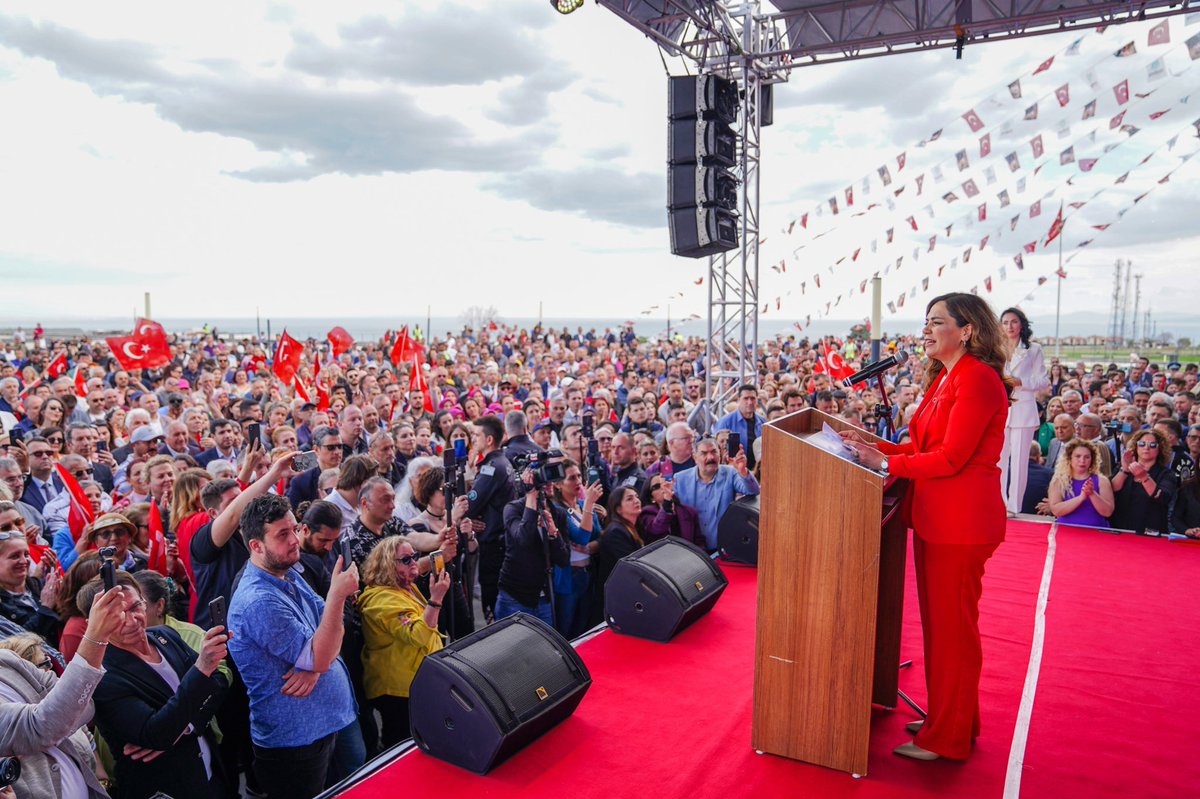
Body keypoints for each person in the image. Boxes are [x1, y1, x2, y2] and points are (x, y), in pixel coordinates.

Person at [842, 293, 1012, 762]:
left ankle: (947, 738)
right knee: (944, 630)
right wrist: (876, 449)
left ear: (967, 330)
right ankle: (953, 718)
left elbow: (953, 457)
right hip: (940, 518)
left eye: (936, 322)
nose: (926, 329)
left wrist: (887, 460)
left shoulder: (976, 378)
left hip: (960, 523)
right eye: (926, 321)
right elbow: (923, 442)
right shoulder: (949, 376)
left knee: (953, 633)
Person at [227, 494, 362, 799]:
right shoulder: (258, 601)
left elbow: (325, 631)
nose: (295, 540)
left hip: (321, 728)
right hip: (294, 745)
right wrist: (337, 599)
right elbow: (325, 639)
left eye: (294, 529)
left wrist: (315, 665)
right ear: (256, 546)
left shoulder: (286, 571)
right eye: (282, 534)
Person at [81, 571, 230, 799]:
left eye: (134, 607)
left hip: (211, 778)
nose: (131, 621)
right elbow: (156, 734)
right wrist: (201, 669)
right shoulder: (102, 676)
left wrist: (185, 726)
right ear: (94, 623)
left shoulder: (165, 635)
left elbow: (217, 684)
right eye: (117, 616)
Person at [0, 580, 131, 799]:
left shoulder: (7, 660)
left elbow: (84, 706)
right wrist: (95, 637)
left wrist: (60, 716)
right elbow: (42, 725)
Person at [358, 536, 449, 747]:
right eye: (406, 560)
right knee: (402, 746)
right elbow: (417, 635)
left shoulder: (404, 587)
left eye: (414, 556)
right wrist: (436, 600)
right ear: (388, 565)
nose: (414, 562)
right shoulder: (381, 600)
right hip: (398, 690)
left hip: (416, 682)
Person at [496, 464, 570, 626]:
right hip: (514, 597)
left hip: (544, 598)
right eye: (544, 479)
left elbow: (564, 560)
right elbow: (523, 539)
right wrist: (531, 496)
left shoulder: (559, 514)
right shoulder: (513, 509)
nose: (550, 483)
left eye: (551, 479)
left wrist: (553, 534)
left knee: (544, 650)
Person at [463, 415, 516, 623]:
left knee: (492, 604)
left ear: (490, 440)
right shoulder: (501, 461)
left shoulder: (492, 467)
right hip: (499, 540)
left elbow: (470, 504)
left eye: (476, 435)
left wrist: (467, 516)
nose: (473, 439)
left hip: (494, 544)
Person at [998, 308, 1048, 516]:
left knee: (1019, 461)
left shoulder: (1033, 349)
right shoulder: (995, 348)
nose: (1009, 326)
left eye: (1014, 322)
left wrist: (1021, 382)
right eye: (1005, 322)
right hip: (1000, 408)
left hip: (1023, 408)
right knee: (999, 460)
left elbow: (1043, 381)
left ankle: (1014, 506)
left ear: (1022, 324)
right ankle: (999, 502)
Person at [672, 436, 759, 552]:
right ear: (695, 457)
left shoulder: (730, 473)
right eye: (704, 453)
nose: (710, 457)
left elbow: (753, 491)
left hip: (722, 547)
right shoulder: (680, 479)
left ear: (720, 454)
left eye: (714, 452)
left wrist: (743, 471)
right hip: (692, 549)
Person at [550, 460, 602, 638]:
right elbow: (581, 536)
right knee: (567, 628)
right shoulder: (558, 510)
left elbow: (598, 536)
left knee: (584, 625)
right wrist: (589, 506)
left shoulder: (582, 504)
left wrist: (588, 548)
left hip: (587, 572)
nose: (578, 481)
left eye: (579, 476)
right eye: (572, 478)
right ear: (558, 484)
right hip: (569, 576)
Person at [1110, 428, 1178, 536]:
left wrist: (1144, 477)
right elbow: (1111, 490)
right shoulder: (1123, 467)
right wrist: (1124, 470)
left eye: (1152, 445)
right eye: (1142, 443)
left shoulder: (1166, 474)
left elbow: (1162, 497)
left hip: (1149, 532)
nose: (1146, 447)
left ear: (1160, 449)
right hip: (1119, 528)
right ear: (1136, 446)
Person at [1047, 439, 1115, 529]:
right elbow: (1056, 510)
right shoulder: (1059, 480)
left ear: (1092, 460)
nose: (1082, 461)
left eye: (1087, 457)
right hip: (1066, 532)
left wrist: (1092, 494)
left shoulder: (1102, 481)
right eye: (1078, 456)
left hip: (1096, 533)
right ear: (1069, 458)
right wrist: (1081, 498)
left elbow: (1107, 512)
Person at [596, 486, 645, 587]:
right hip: (617, 590)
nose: (636, 500)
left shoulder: (633, 526)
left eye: (636, 496)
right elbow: (630, 566)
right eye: (629, 499)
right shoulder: (615, 532)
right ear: (618, 509)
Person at [638, 472, 701, 546]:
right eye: (657, 486)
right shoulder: (646, 513)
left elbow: (699, 540)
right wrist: (667, 501)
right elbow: (658, 528)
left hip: (689, 555)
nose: (663, 487)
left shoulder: (689, 512)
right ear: (651, 496)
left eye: (665, 483)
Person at [714, 384, 767, 471]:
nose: (749, 402)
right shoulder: (725, 422)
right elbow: (717, 447)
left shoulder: (763, 422)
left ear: (757, 400)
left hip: (758, 472)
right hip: (733, 471)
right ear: (739, 400)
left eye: (753, 398)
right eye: (746, 398)